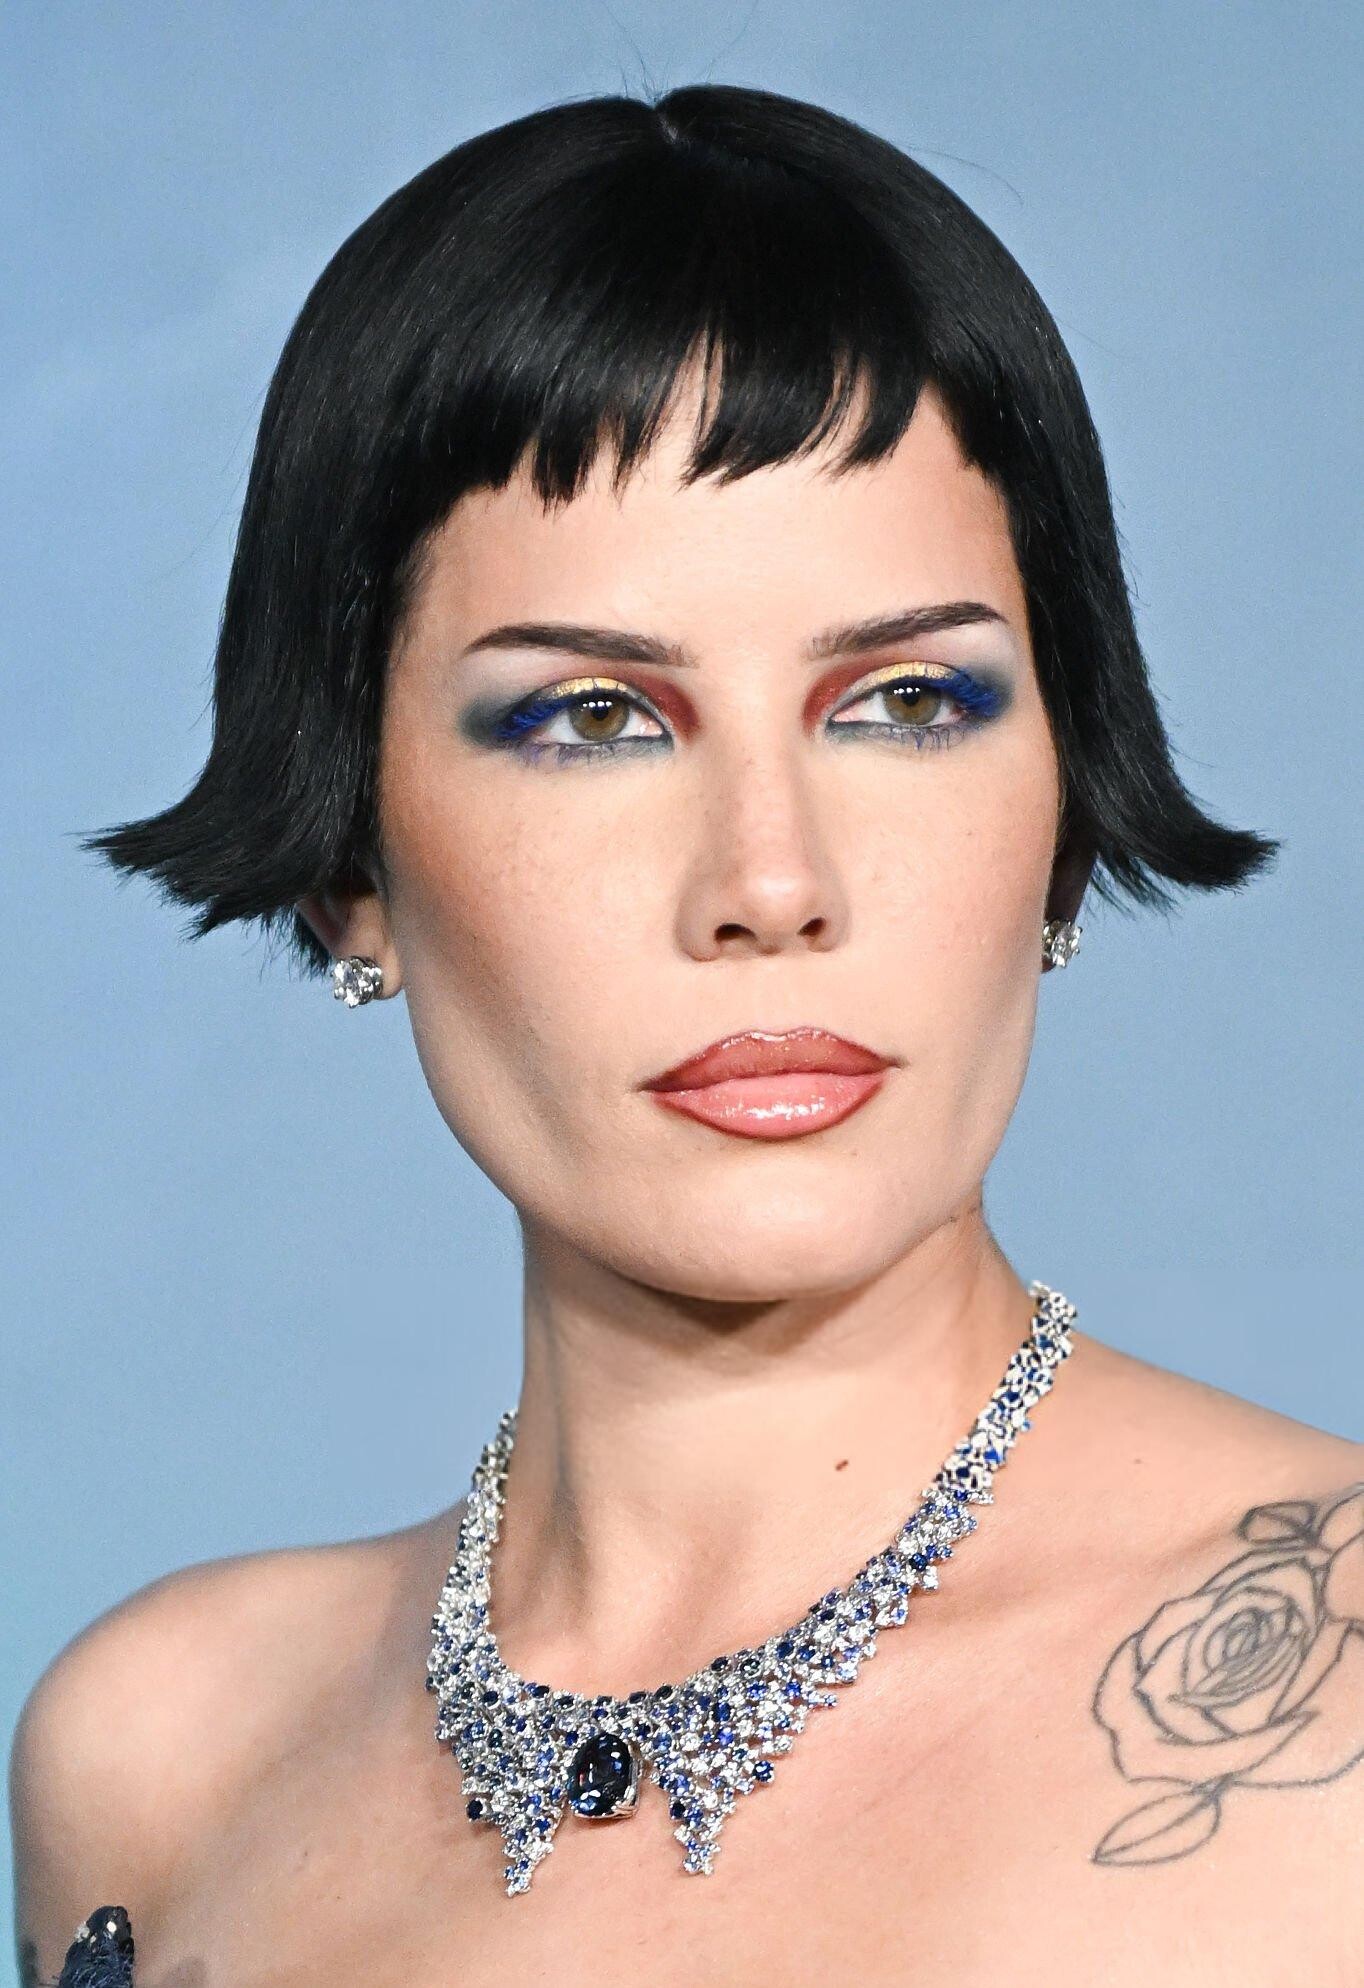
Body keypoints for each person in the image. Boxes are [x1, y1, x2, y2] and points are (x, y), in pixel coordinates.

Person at [11, 81, 1362, 1988]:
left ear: (1064, 815)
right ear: (348, 864)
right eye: (592, 719)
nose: (771, 881)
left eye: (907, 701)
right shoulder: (162, 1757)